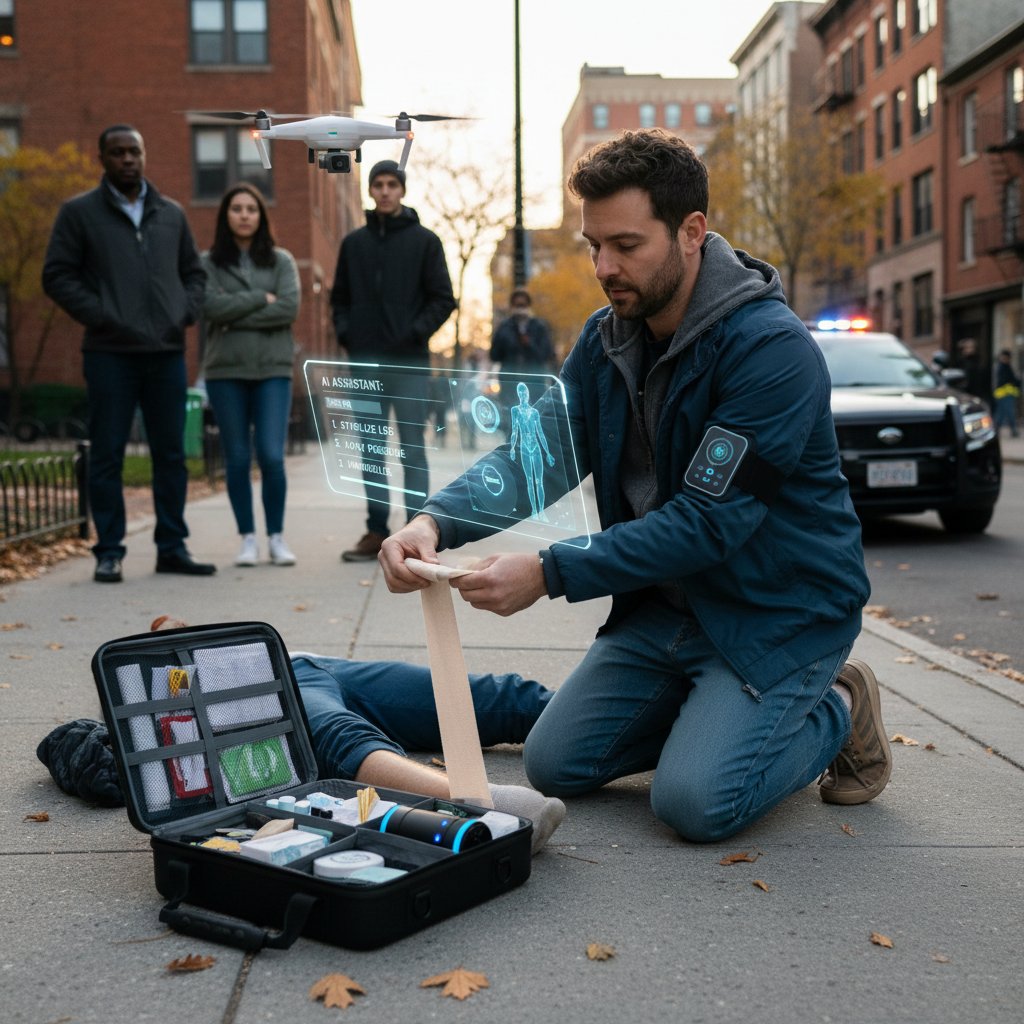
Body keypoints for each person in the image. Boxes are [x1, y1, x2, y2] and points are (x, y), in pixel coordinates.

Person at [379, 128, 892, 844]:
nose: (603, 266)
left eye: (625, 245)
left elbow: (709, 523)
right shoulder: (604, 339)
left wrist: (551, 571)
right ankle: (714, 714)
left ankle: (835, 701)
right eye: (595, 246)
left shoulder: (771, 351)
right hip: (666, 611)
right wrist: (433, 523)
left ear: (692, 231)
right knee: (555, 763)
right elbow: (540, 455)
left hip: (775, 612)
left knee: (693, 803)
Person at [146, 616, 565, 854]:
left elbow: (167, 624)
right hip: (273, 694)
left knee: (497, 696)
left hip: (316, 664)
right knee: (337, 738)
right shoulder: (156, 700)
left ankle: (621, 724)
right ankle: (480, 803)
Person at [42, 125, 215, 584]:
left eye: (134, 151)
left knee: (171, 455)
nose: (127, 159)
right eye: (117, 152)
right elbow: (57, 275)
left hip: (165, 353)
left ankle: (172, 547)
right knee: (107, 455)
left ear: (144, 154)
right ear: (102, 158)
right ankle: (110, 551)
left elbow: (194, 273)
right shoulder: (79, 213)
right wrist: (103, 315)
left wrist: (184, 310)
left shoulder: (171, 214)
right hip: (109, 353)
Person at [329, 159, 456, 563]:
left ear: (401, 189)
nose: (385, 191)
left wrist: (413, 333)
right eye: (378, 184)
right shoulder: (354, 244)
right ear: (370, 191)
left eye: (391, 184)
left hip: (409, 366)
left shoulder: (425, 241)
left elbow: (443, 299)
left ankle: (418, 532)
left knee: (412, 449)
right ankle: (376, 530)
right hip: (365, 364)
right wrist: (351, 337)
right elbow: (339, 301)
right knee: (370, 449)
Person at [200, 183, 301, 568]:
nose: (244, 214)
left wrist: (235, 313)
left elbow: (289, 309)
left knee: (272, 456)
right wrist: (261, 299)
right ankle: (247, 538)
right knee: (238, 457)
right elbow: (210, 307)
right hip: (225, 371)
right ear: (226, 215)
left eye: (251, 209)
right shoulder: (208, 263)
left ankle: (276, 536)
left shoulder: (282, 261)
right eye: (237, 208)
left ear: (261, 216)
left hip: (272, 371)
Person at [489, 289, 555, 430]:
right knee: (511, 422)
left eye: (523, 305)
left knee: (534, 422)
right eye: (517, 305)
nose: (520, 309)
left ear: (528, 306)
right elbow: (494, 355)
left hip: (534, 384)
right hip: (510, 384)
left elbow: (547, 354)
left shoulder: (539, 327)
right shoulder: (504, 327)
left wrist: (529, 343)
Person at [993, 349, 1021, 438]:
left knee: (1001, 414)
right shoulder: (1003, 367)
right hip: (1005, 394)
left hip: (1003, 394)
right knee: (1008, 413)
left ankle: (995, 431)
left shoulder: (1004, 366)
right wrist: (1016, 382)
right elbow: (1006, 380)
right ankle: (1012, 430)